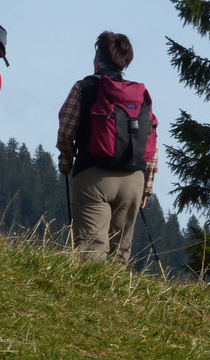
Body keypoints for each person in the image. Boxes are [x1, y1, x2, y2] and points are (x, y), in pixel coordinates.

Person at [56, 31, 158, 263]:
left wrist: (66, 160)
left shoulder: (85, 87)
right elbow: (152, 141)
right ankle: (117, 297)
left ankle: (87, 298)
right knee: (120, 253)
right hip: (133, 180)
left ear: (97, 60)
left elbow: (66, 130)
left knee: (91, 250)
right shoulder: (139, 94)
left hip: (94, 178)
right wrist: (146, 187)